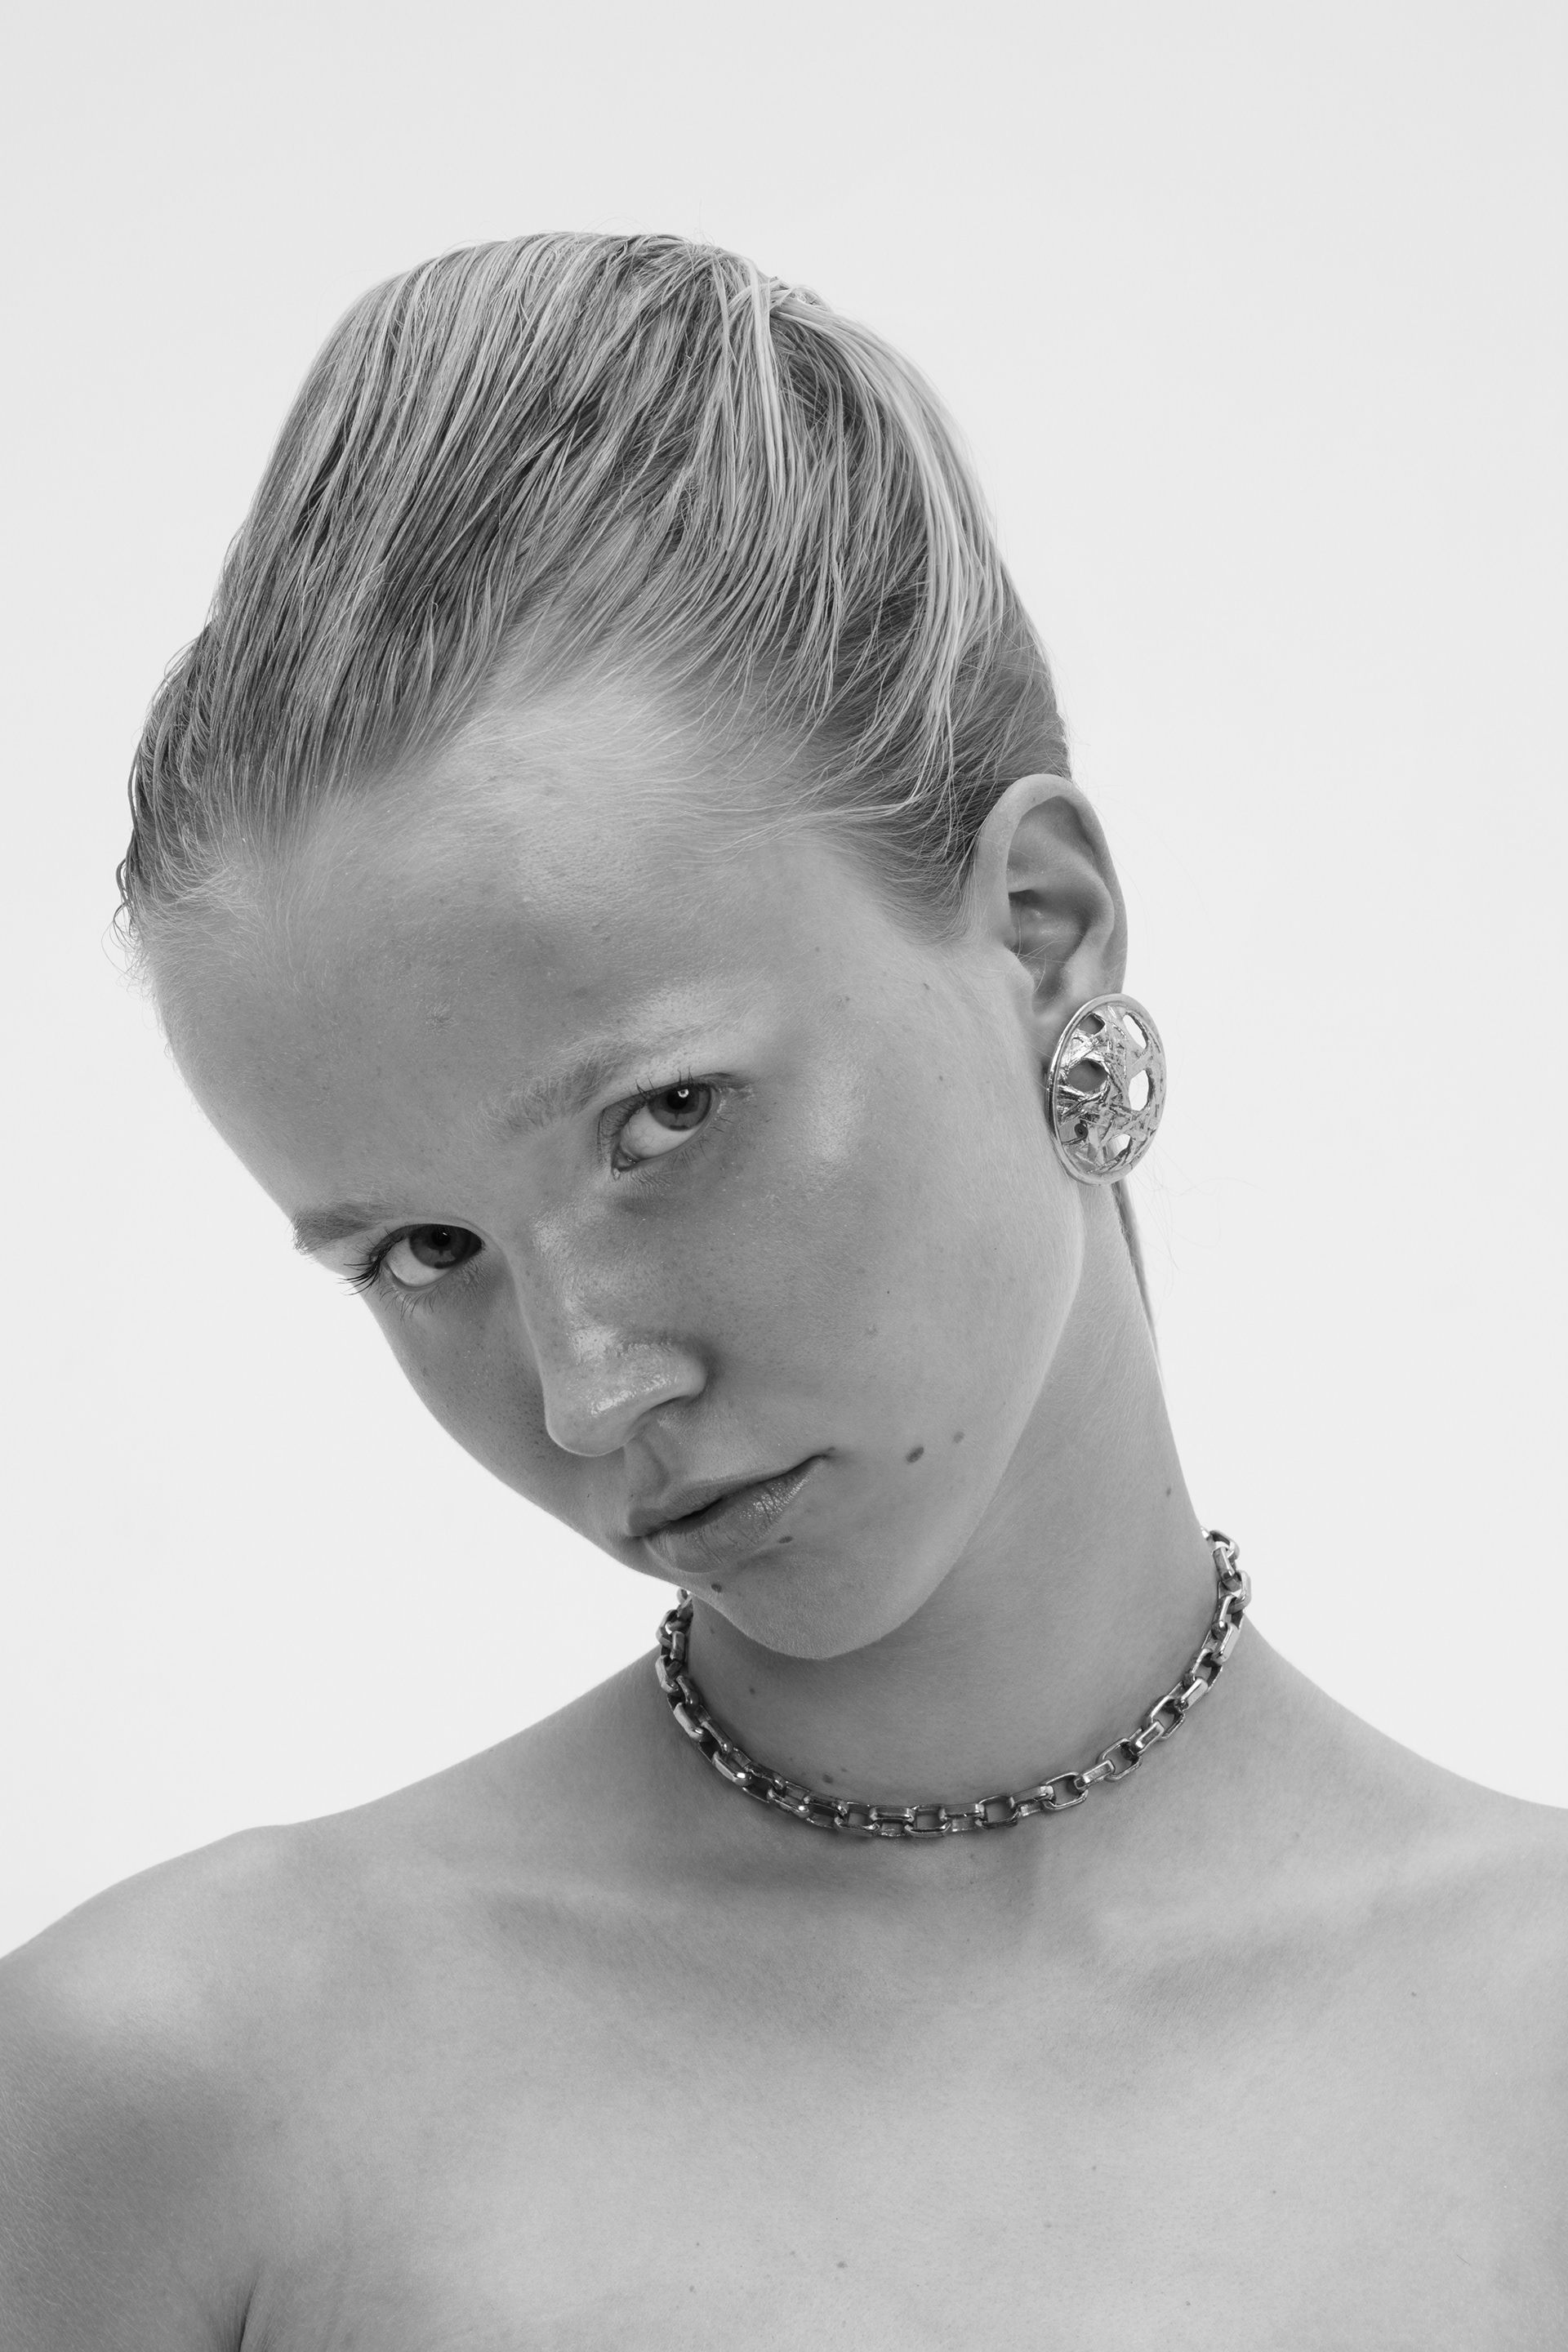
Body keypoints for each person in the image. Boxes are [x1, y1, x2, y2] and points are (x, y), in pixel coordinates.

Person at [2, 232, 1562, 2346]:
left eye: (665, 1119)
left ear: (1041, 932)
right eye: (423, 1252)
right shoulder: (163, 2099)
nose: (587, 1388)